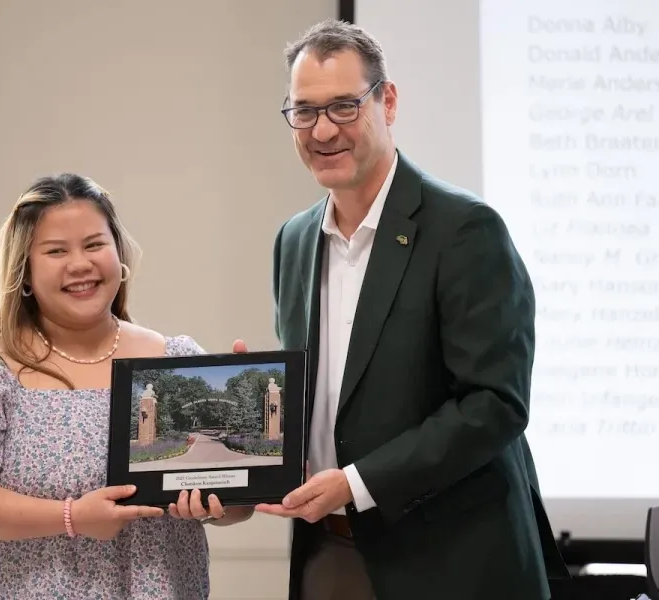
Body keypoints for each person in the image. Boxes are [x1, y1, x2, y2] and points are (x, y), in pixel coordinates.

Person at [243, 19, 570, 600]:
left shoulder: (465, 230)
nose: (322, 130)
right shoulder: (292, 241)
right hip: (327, 554)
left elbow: (495, 403)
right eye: (304, 111)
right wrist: (251, 413)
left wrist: (357, 483)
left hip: (452, 562)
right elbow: (323, 404)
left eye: (344, 107)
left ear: (387, 101)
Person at [0, 173, 253, 599]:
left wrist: (221, 498)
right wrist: (72, 516)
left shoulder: (173, 360)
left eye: (93, 244)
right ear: (24, 272)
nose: (80, 264)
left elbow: (236, 504)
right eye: (55, 251)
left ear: (117, 254)